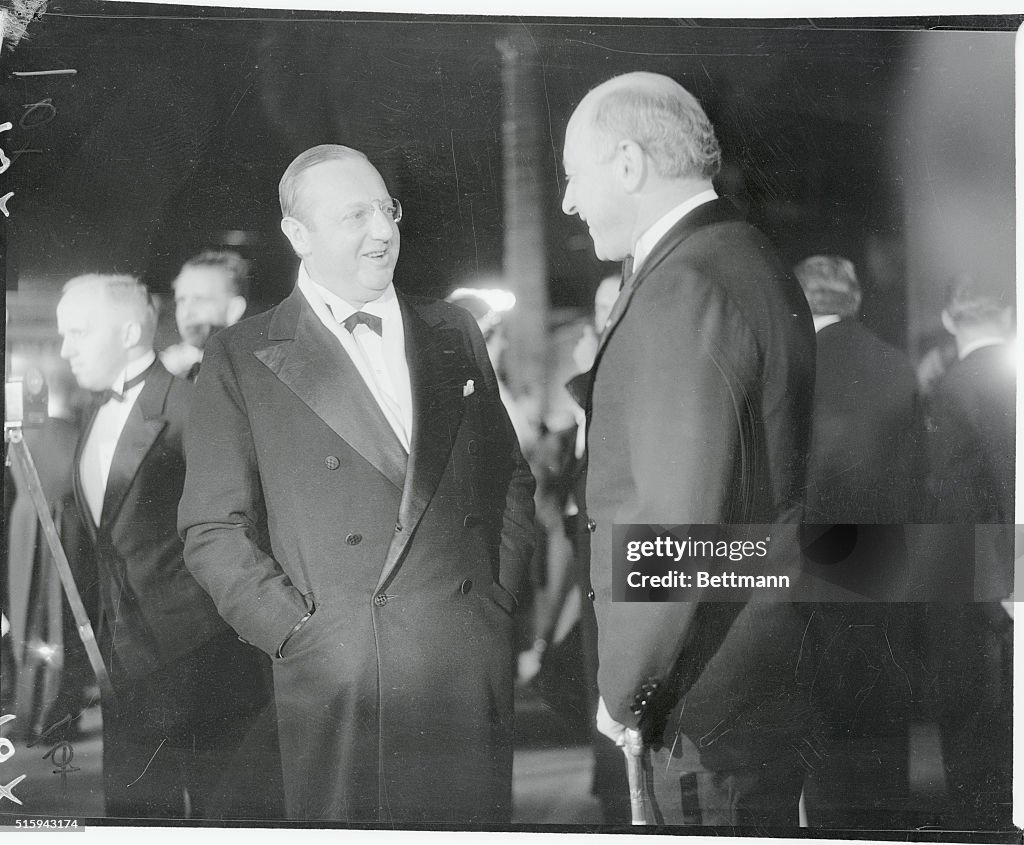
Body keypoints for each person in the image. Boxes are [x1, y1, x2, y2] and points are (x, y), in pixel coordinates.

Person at [177, 144, 535, 823]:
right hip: (339, 678)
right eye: (354, 215)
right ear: (298, 234)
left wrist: (494, 599)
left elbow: (509, 476)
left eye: (387, 209)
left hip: (463, 664)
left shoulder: (454, 328)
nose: (382, 231)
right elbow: (211, 529)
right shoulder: (241, 354)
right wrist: (298, 634)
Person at [561, 72, 816, 825]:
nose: (570, 202)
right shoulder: (745, 256)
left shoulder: (686, 284)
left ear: (630, 165)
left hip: (699, 700)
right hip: (750, 678)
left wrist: (625, 690)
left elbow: (674, 525)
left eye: (575, 176)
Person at [56, 274, 275, 819]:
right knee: (131, 818)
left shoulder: (191, 406)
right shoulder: (93, 412)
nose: (66, 349)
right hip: (124, 663)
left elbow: (244, 525)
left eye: (79, 333)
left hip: (201, 662)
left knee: (220, 819)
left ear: (130, 331)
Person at [793, 255, 923, 827]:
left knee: (822, 712)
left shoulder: (795, 365)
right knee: (883, 706)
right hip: (888, 552)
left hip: (813, 554)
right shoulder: (898, 364)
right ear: (854, 300)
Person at [923, 273, 1014, 829]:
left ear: (952, 321)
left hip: (983, 590)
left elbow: (958, 506)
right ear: (1007, 317)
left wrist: (999, 589)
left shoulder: (950, 390)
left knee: (976, 738)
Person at [160, 249, 249, 380]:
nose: (186, 313)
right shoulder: (166, 368)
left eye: (199, 300)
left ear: (234, 309)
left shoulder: (252, 373)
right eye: (181, 300)